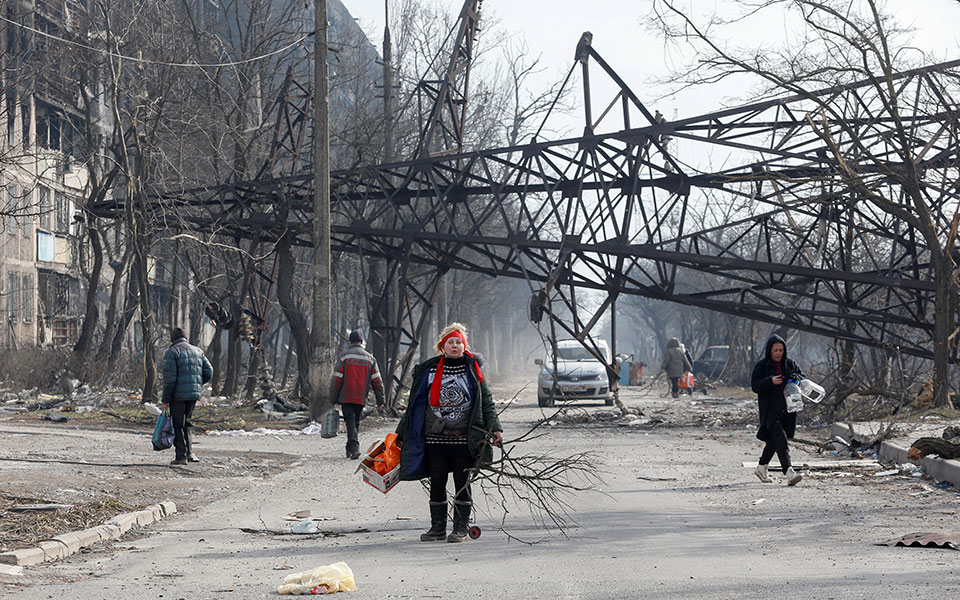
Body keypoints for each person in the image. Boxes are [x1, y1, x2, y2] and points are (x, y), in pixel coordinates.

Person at [395, 323, 503, 543]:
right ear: (442, 346)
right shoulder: (428, 370)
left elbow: (487, 402)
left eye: (458, 342)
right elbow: (414, 405)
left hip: (464, 438)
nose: (455, 346)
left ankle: (460, 528)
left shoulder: (473, 370)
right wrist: (401, 434)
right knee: (437, 480)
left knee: (462, 481)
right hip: (435, 438)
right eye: (450, 342)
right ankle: (438, 528)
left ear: (464, 346)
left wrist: (496, 428)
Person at [752, 334, 804, 486]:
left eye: (781, 350)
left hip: (789, 409)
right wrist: (770, 381)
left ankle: (761, 467)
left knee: (774, 441)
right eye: (775, 350)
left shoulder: (790, 364)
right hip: (770, 410)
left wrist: (794, 378)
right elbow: (755, 386)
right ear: (769, 350)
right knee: (781, 441)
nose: (778, 353)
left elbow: (802, 378)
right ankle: (789, 472)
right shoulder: (762, 366)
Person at [161, 327, 213, 466]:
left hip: (178, 395)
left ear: (173, 339)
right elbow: (209, 371)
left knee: (178, 424)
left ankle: (181, 456)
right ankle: (190, 453)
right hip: (193, 394)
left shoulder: (172, 352)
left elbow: (170, 380)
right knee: (187, 422)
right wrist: (196, 383)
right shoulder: (197, 350)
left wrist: (165, 400)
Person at [330, 330, 385, 460]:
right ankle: (350, 448)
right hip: (360, 396)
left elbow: (337, 379)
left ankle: (354, 447)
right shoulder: (370, 358)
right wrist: (380, 400)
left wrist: (333, 398)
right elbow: (377, 381)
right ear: (361, 342)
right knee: (355, 422)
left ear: (350, 342)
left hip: (346, 396)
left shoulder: (344, 357)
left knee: (350, 421)